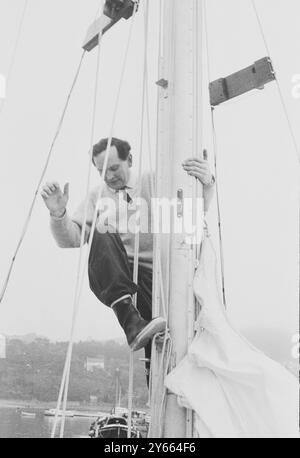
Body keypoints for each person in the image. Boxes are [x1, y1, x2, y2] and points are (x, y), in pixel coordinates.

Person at [41, 138, 215, 379]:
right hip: (122, 283)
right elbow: (72, 239)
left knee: (167, 363)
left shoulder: (154, 181)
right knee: (102, 229)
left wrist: (206, 184)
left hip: (162, 279)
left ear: (129, 160)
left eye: (114, 168)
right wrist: (58, 213)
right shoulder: (96, 197)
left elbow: (192, 216)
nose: (110, 177)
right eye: (102, 171)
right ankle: (131, 323)